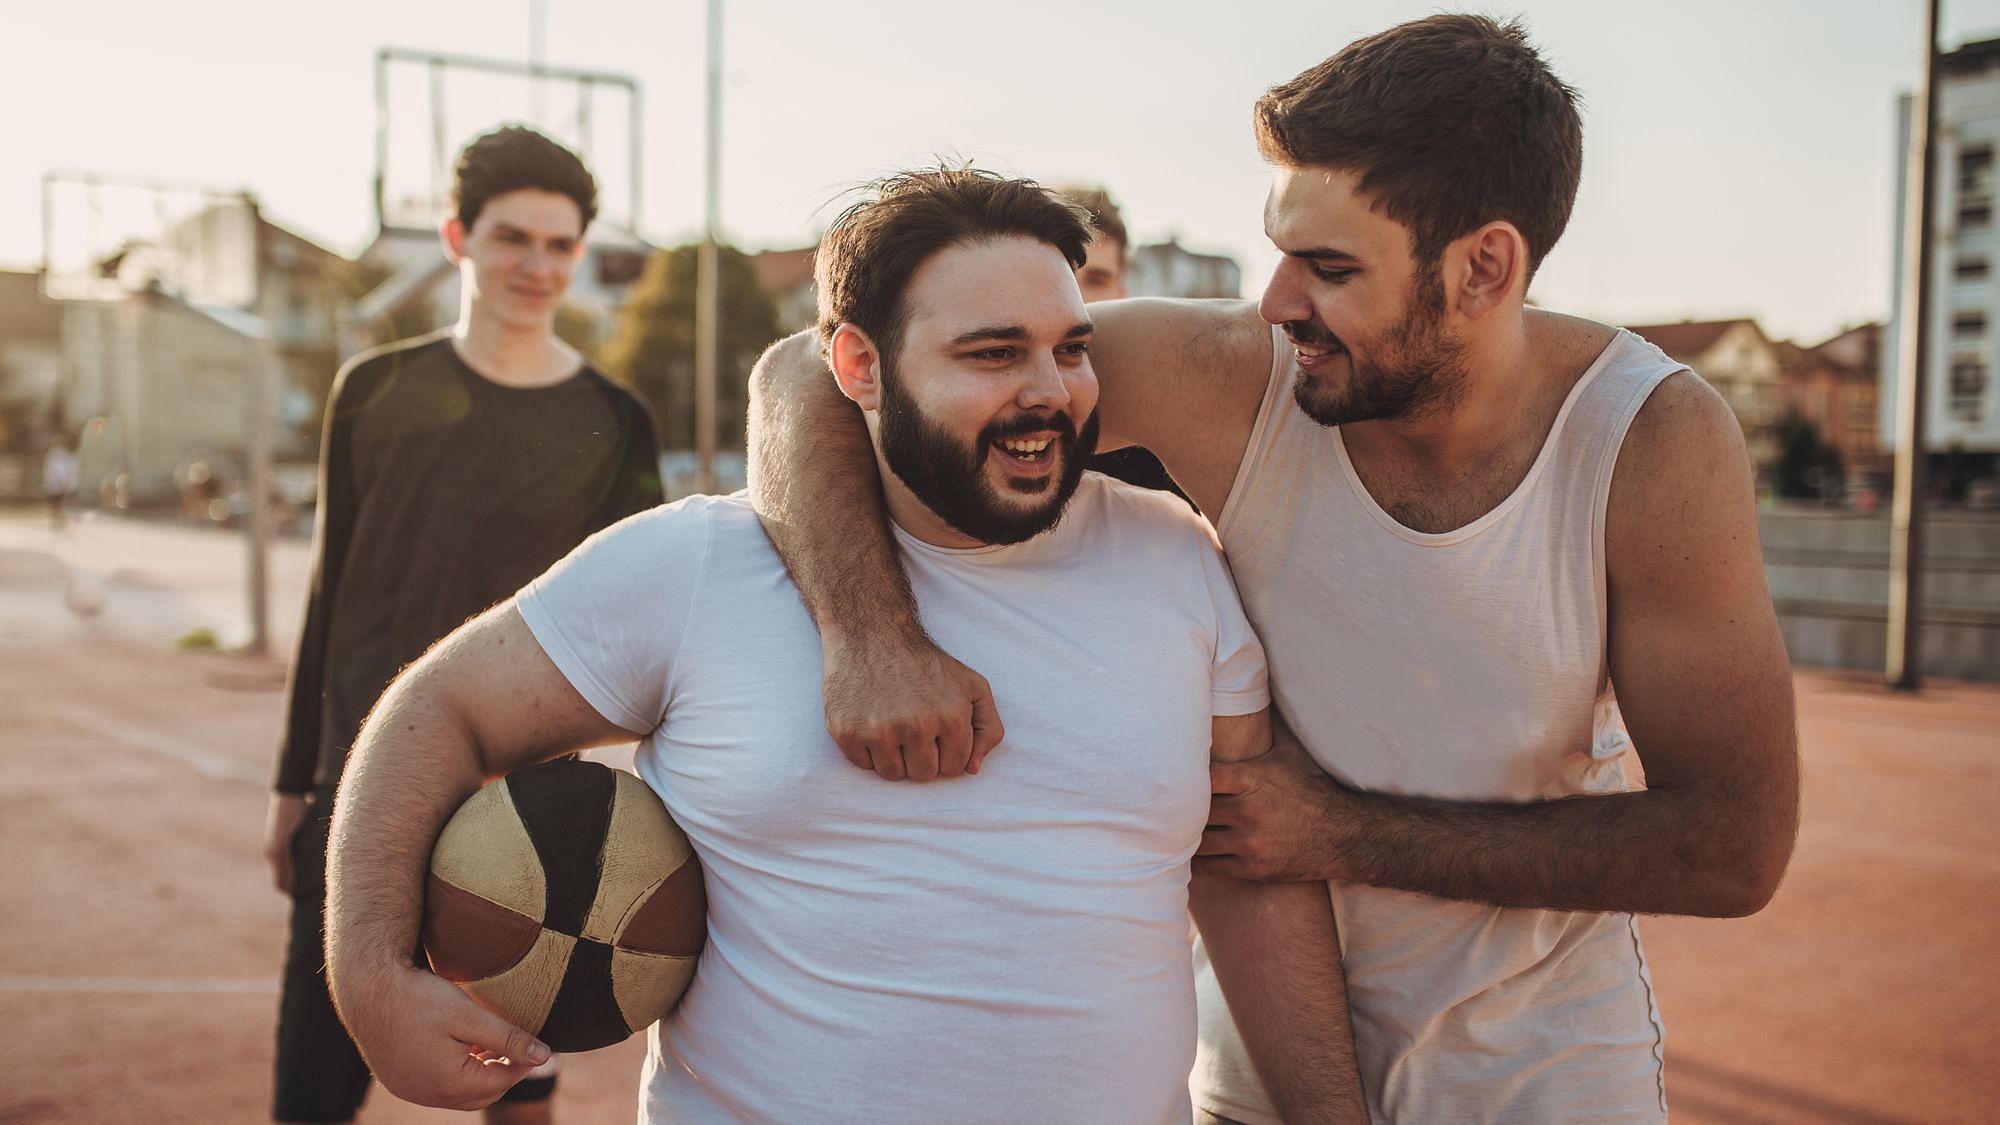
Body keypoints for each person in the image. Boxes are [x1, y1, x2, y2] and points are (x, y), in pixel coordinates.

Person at [746, 15, 1801, 1124]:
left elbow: (1730, 845)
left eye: (1328, 267)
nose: (1274, 301)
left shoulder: (1647, 443)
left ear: (1483, 267)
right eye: (1279, 250)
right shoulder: (1237, 378)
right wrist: (868, 636)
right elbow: (806, 371)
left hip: (1544, 1076)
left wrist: (1344, 833)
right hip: (1253, 1071)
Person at [321, 168, 1365, 1124]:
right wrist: (369, 978)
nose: (1051, 390)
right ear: (858, 365)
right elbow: (438, 707)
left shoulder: (1177, 563)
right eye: (993, 353)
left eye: (1071, 347)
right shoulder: (693, 569)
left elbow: (1246, 872)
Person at [262, 125, 663, 1125]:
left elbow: (642, 625)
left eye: (560, 244)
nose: (537, 264)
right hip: (363, 781)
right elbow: (329, 597)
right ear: (457, 238)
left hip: (519, 815)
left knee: (518, 1093)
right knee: (311, 1091)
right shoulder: (372, 391)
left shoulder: (614, 423)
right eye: (512, 238)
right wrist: (290, 782)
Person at [1056, 185, 1186, 500]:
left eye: (1095, 279)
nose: (1076, 298)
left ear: (1120, 295)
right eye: (1061, 274)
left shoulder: (1155, 438)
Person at [41, 437, 78, 530]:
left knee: (59, 504)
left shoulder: (62, 457)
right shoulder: (60, 457)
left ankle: (60, 521)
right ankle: (59, 521)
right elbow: (58, 472)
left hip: (58, 485)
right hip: (58, 486)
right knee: (59, 503)